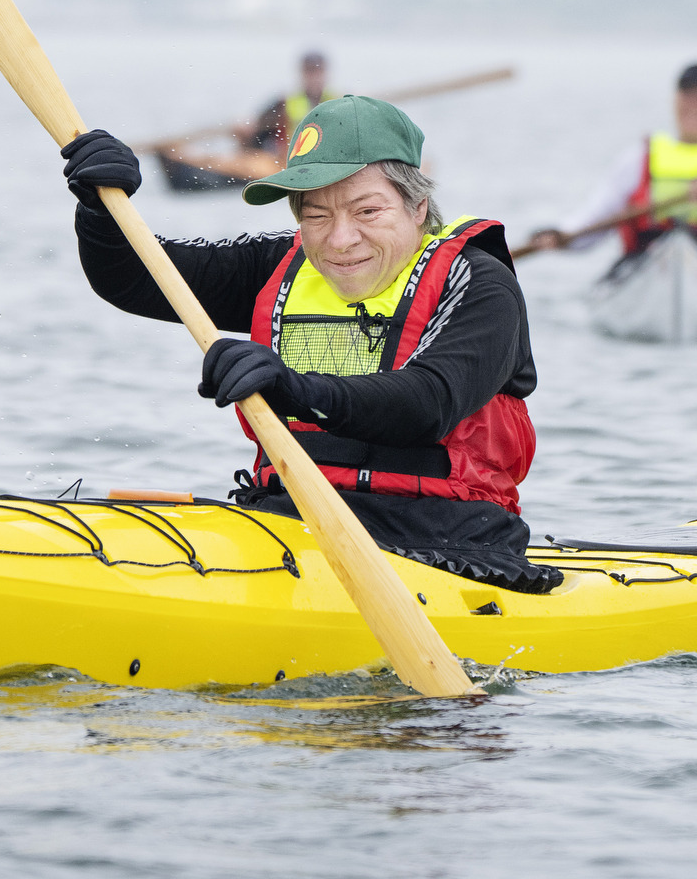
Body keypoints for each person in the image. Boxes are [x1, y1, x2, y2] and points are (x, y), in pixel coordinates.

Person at [61, 95, 560, 593]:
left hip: (446, 541)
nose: (341, 240)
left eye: (367, 210)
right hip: (288, 526)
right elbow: (133, 277)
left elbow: (428, 403)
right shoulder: (284, 264)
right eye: (317, 215)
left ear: (418, 206)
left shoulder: (479, 283)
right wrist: (101, 206)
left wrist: (295, 390)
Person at [527, 61, 697, 270]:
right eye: (688, 94)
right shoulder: (637, 158)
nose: (695, 105)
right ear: (675, 99)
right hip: (644, 262)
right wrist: (559, 235)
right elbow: (595, 217)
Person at [157, 50, 334, 185]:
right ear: (301, 73)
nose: (314, 78)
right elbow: (255, 136)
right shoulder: (283, 103)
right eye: (309, 72)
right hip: (285, 164)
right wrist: (245, 131)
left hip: (322, 166)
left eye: (317, 72)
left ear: (325, 73)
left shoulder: (338, 102)